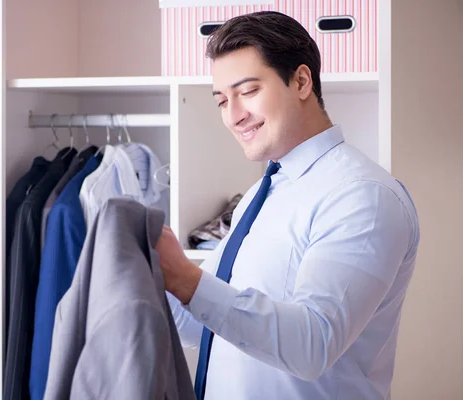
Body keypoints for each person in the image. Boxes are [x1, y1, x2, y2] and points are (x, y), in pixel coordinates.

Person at [155, 11, 420, 400]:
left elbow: (313, 345)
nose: (233, 115)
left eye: (247, 92)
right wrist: (148, 270)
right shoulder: (258, 198)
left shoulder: (362, 196)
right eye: (222, 101)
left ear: (300, 81)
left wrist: (186, 280)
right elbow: (204, 326)